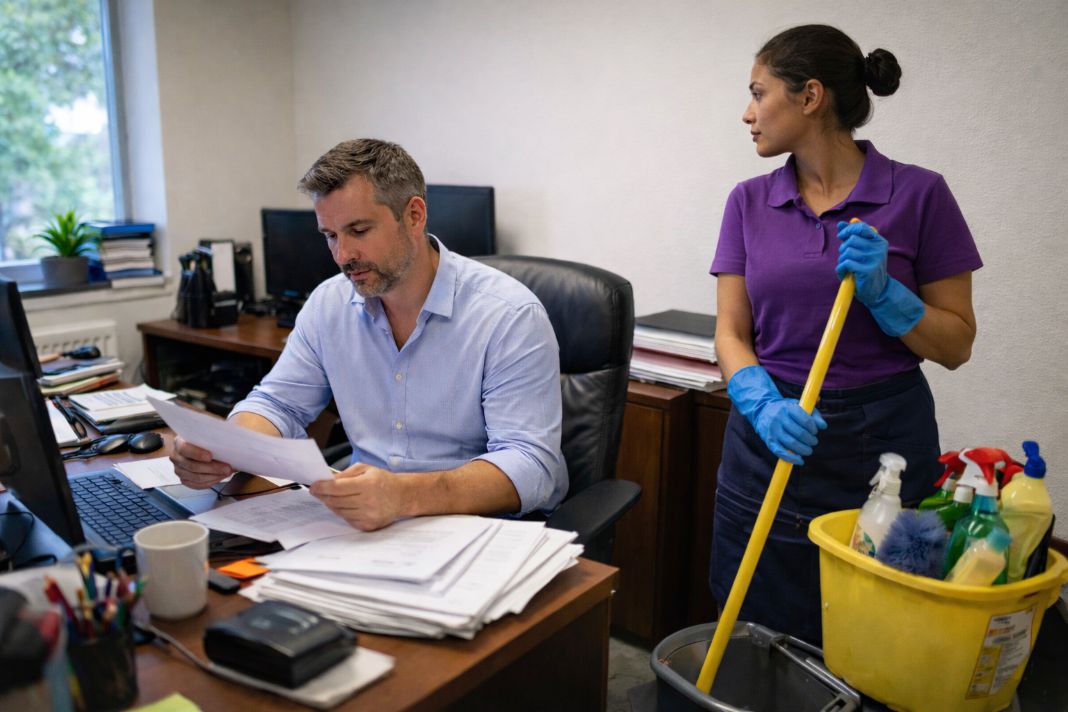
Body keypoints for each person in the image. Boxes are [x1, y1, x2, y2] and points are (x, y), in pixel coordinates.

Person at [709, 25, 981, 645]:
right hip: (768, 443)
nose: (747, 113)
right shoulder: (747, 201)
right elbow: (730, 332)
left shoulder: (920, 194)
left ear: (810, 96)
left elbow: (957, 345)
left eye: (759, 93)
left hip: (884, 449)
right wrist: (759, 403)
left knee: (876, 629)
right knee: (754, 624)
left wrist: (888, 295)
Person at [170, 139, 568, 530]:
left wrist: (404, 495)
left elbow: (530, 464)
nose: (343, 256)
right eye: (330, 235)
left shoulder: (509, 316)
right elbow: (279, 404)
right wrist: (223, 449)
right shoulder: (328, 304)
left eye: (358, 230)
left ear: (414, 216)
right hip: (363, 523)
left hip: (475, 529)